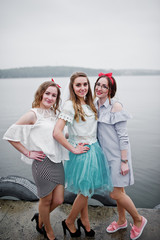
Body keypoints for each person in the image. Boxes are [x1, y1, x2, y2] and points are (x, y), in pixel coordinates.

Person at [3, 80, 68, 240]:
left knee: (59, 200)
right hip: (42, 163)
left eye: (54, 95)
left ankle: (40, 218)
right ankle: (48, 230)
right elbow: (10, 135)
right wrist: (27, 152)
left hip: (57, 162)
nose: (50, 97)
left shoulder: (54, 113)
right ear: (41, 93)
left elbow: (60, 134)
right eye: (47, 93)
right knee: (45, 200)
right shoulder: (33, 114)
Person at [53, 72, 113, 238]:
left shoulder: (90, 104)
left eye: (85, 84)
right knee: (85, 191)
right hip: (81, 153)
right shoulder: (69, 105)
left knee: (85, 189)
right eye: (78, 85)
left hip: (94, 150)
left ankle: (85, 221)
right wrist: (73, 148)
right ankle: (70, 221)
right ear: (72, 87)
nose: (82, 88)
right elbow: (57, 132)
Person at [94, 72, 147, 240]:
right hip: (105, 156)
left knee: (115, 194)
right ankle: (122, 220)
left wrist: (124, 161)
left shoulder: (115, 107)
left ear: (110, 90)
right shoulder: (95, 105)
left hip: (118, 157)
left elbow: (123, 137)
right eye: (98, 84)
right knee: (119, 191)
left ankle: (139, 220)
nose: (100, 88)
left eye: (104, 86)